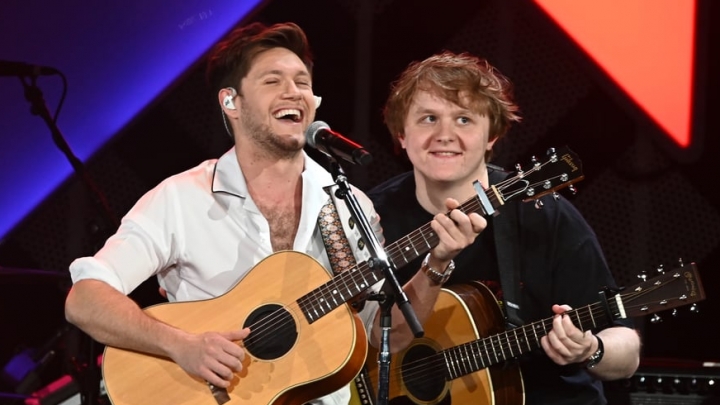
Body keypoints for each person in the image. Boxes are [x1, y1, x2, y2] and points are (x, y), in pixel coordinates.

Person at [64, 23, 483, 405]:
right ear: (231, 101)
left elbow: (381, 333)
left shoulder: (347, 204)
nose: (293, 92)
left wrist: (437, 262)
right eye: (273, 80)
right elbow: (85, 299)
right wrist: (181, 346)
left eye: (302, 82)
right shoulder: (181, 199)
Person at [366, 51, 641, 404]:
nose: (444, 135)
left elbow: (626, 351)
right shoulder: (371, 216)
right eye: (428, 118)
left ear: (491, 136)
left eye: (464, 119)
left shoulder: (545, 215)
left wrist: (591, 348)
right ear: (402, 134)